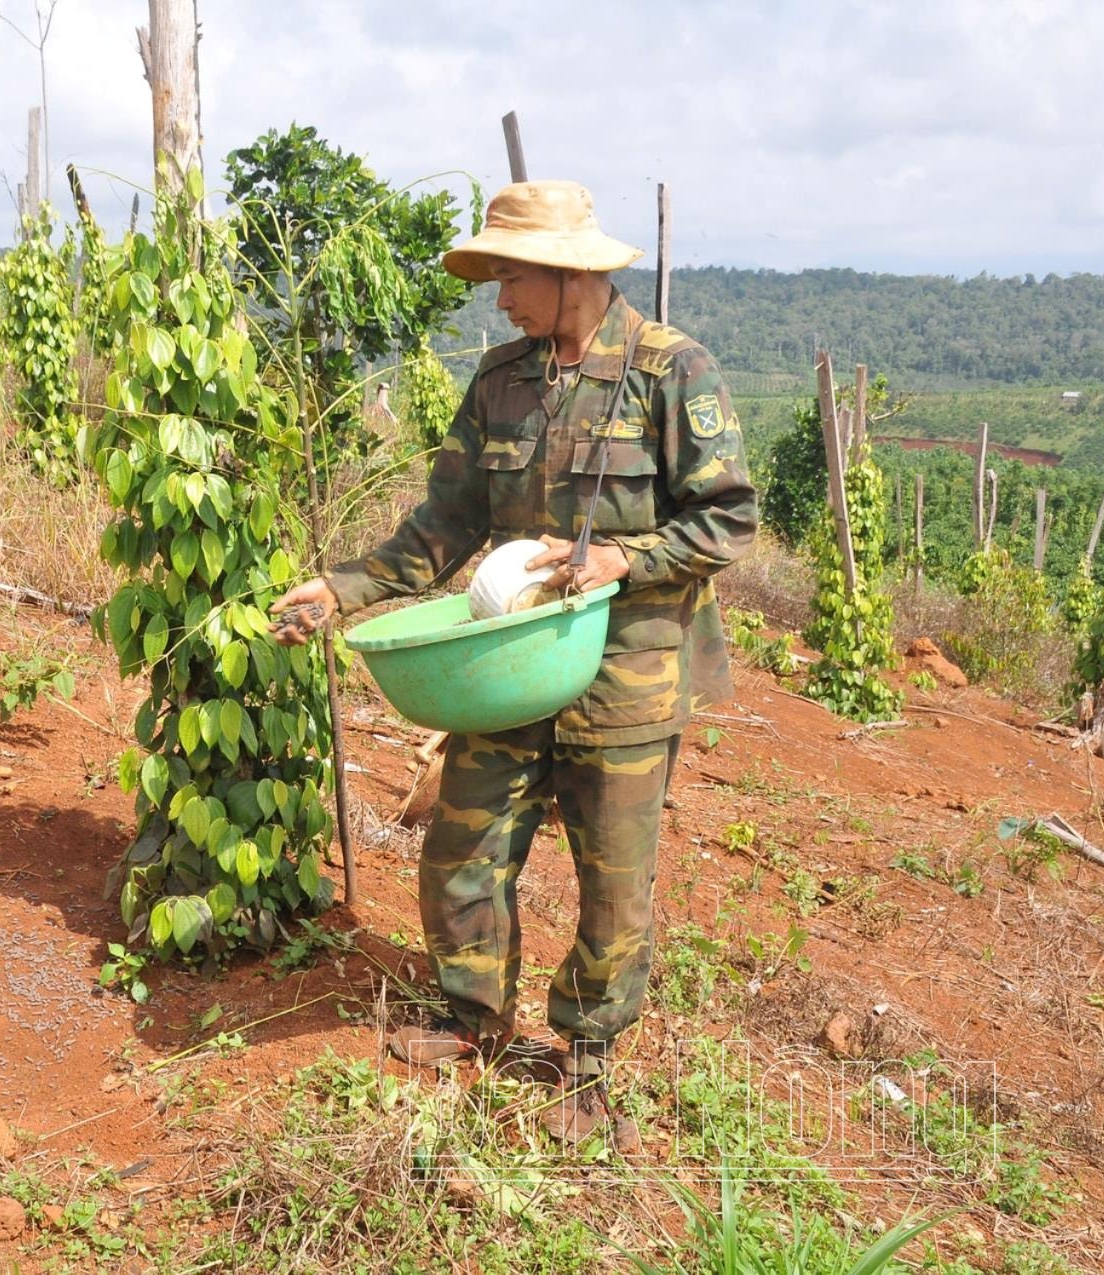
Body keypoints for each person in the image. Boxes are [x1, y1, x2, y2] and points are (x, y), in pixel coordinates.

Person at [271, 180, 756, 1142]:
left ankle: (585, 1058)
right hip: (506, 668)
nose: (500, 298)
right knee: (463, 847)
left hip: (625, 673)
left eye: (511, 276)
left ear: (571, 275)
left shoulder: (670, 371)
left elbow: (728, 517)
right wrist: (346, 589)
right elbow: (444, 521)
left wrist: (626, 558)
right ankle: (472, 1015)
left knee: (614, 881)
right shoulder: (501, 380)